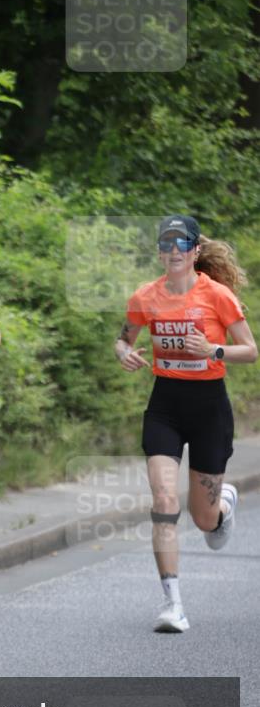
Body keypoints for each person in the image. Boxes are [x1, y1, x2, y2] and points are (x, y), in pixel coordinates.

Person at [115, 215, 257, 633]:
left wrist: (213, 349)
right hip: (166, 405)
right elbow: (124, 337)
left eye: (182, 244)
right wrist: (123, 351)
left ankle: (222, 503)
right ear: (160, 251)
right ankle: (172, 603)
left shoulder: (217, 296)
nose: (173, 250)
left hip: (209, 408)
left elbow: (250, 350)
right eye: (166, 243)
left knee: (204, 520)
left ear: (195, 252)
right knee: (163, 501)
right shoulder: (146, 296)